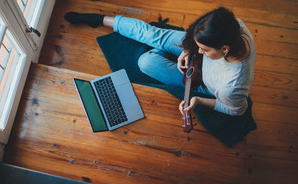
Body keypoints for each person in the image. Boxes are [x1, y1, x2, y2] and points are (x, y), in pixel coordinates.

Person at [64, 7, 256, 116]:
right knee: (151, 33)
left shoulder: (232, 87)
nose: (200, 51)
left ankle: (162, 49)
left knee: (146, 63)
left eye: (204, 49)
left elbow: (236, 110)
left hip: (204, 82)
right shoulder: (234, 25)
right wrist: (189, 48)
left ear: (224, 49)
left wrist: (197, 100)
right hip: (198, 60)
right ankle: (98, 19)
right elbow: (197, 42)